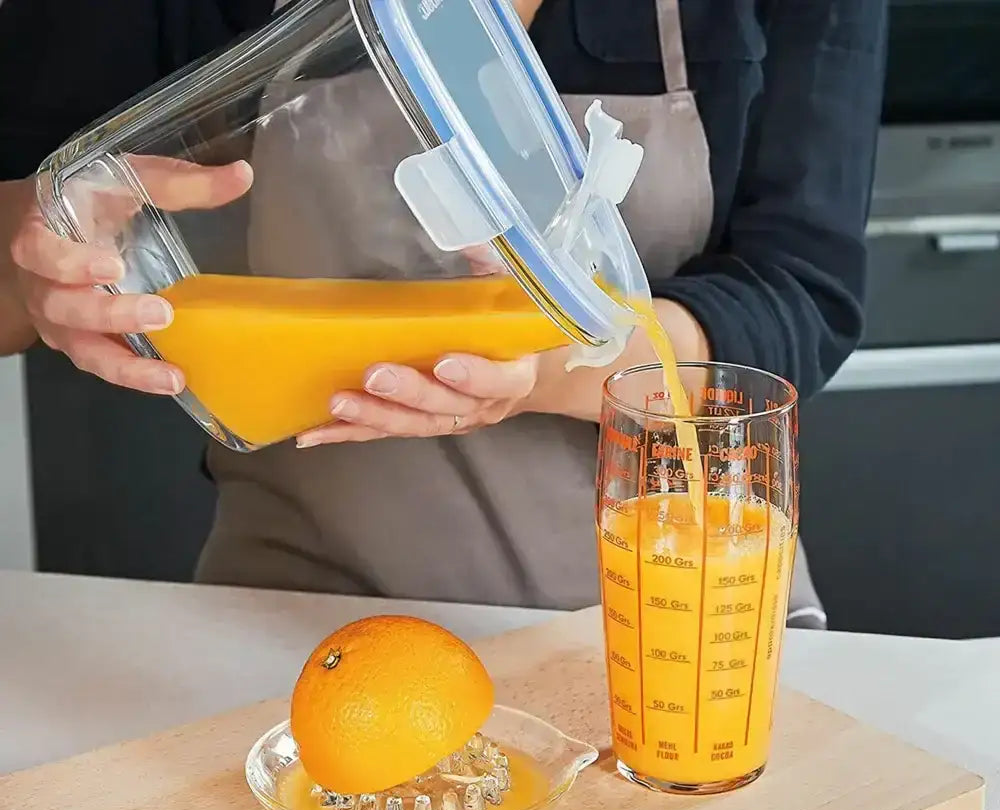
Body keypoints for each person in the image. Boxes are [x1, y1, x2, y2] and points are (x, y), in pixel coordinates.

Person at [0, 0, 888, 623]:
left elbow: (802, 294)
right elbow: (21, 269)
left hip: (676, 623)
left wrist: (552, 361)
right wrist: (42, 262)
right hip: (296, 629)